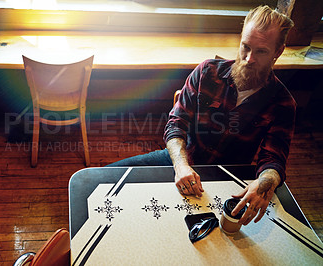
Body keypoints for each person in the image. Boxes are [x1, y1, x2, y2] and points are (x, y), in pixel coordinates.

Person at [107, 5, 295, 226]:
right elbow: (176, 124)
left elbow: (274, 159)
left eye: (261, 51)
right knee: (106, 176)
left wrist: (265, 182)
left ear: (278, 52)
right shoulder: (207, 72)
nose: (248, 59)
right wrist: (181, 165)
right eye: (245, 47)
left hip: (227, 178)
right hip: (182, 159)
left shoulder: (283, 103)